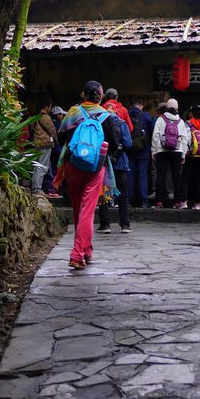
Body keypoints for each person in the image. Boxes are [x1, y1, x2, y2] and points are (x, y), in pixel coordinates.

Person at [55, 80, 121, 270]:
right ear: (100, 97)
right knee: (87, 210)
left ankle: (87, 249)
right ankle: (77, 254)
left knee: (78, 208)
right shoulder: (106, 117)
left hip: (72, 165)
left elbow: (61, 137)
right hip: (95, 168)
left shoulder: (73, 113)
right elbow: (115, 146)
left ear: (83, 94)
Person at [151, 97, 190, 209]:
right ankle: (177, 202)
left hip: (162, 151)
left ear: (167, 108)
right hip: (176, 151)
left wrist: (154, 151)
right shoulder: (181, 121)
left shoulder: (160, 119)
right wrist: (183, 154)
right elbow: (184, 139)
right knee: (176, 177)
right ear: (177, 109)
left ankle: (159, 201)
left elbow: (155, 136)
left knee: (161, 176)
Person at [98, 111, 133, 234]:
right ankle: (125, 225)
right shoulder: (122, 124)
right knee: (123, 195)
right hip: (121, 164)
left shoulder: (100, 123)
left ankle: (105, 225)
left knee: (103, 195)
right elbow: (128, 143)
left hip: (105, 164)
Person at [183, 104, 200, 210]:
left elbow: (187, 139)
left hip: (190, 155)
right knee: (199, 179)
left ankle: (184, 202)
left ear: (191, 113)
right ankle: (198, 203)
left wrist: (184, 152)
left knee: (185, 178)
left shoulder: (188, 124)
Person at [128, 100, 153, 208]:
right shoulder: (146, 116)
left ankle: (129, 200)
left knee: (130, 175)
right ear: (141, 106)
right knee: (142, 175)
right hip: (144, 149)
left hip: (130, 149)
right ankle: (143, 201)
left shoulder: (127, 114)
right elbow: (152, 131)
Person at [30, 97, 56, 194]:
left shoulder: (36, 116)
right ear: (47, 106)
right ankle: (37, 188)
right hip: (45, 143)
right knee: (42, 166)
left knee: (37, 165)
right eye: (50, 106)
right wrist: (56, 142)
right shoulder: (45, 117)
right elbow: (52, 131)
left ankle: (35, 187)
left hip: (37, 143)